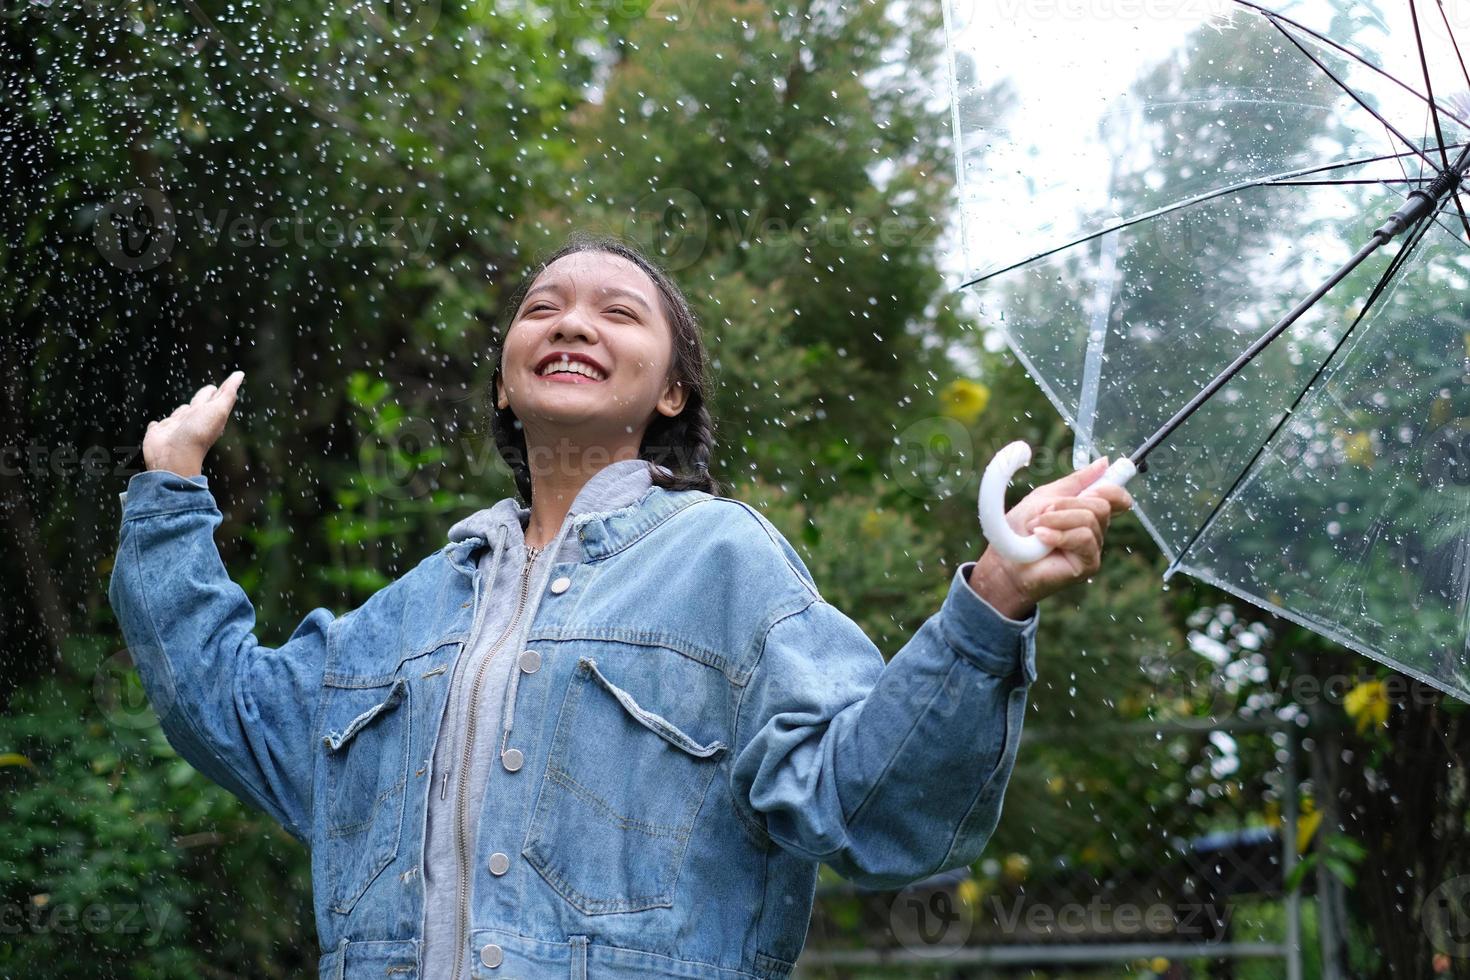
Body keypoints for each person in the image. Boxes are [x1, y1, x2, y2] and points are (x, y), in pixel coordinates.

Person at [108, 231, 1132, 979]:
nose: (572, 320)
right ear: (506, 386)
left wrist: (991, 602)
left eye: (618, 311)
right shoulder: (412, 610)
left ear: (672, 392)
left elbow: (875, 812)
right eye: (544, 305)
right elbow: (226, 705)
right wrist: (166, 492)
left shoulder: (725, 562)